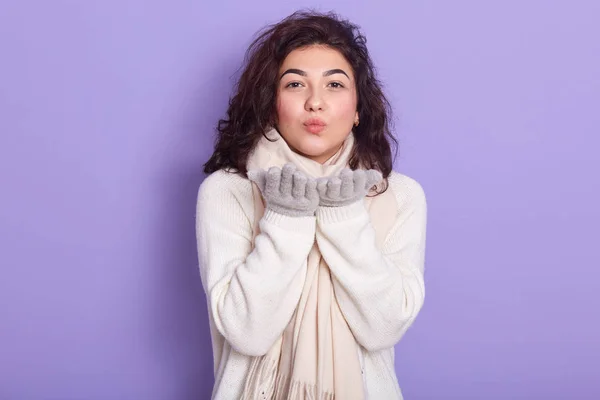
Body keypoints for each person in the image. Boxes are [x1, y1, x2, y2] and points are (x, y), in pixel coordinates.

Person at [196, 9, 427, 400]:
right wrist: (286, 216)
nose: (315, 102)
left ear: (357, 110)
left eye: (335, 84)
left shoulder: (400, 196)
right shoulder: (227, 191)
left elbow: (383, 328)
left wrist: (344, 214)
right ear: (272, 104)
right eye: (295, 84)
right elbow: (247, 332)